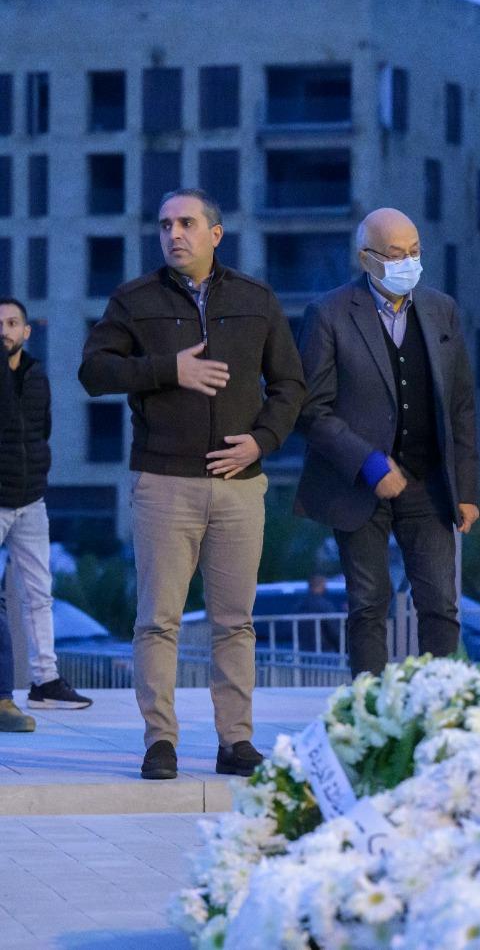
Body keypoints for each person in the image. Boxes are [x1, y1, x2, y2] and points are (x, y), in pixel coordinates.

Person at [80, 188, 305, 779]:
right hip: (163, 482)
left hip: (240, 485)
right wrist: (168, 369)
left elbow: (291, 386)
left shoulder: (256, 299)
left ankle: (236, 742)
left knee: (236, 622)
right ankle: (161, 741)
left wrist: (262, 441)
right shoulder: (135, 299)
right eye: (164, 225)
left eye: (185, 223)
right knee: (158, 621)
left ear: (215, 233)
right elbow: (94, 371)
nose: (173, 234)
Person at [294, 208, 480, 678]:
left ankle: (441, 700)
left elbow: (460, 405)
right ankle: (369, 703)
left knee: (440, 602)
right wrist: (369, 463)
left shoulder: (441, 309)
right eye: (396, 255)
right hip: (358, 483)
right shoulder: (328, 314)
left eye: (415, 252)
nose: (408, 263)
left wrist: (466, 490)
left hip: (428, 481)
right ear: (366, 258)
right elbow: (310, 409)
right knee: (368, 602)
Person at [0, 299, 92, 711]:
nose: (4, 330)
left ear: (26, 331)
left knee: (40, 594)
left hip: (31, 500)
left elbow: (43, 430)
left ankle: (45, 681)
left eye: (12, 323)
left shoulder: (38, 375)